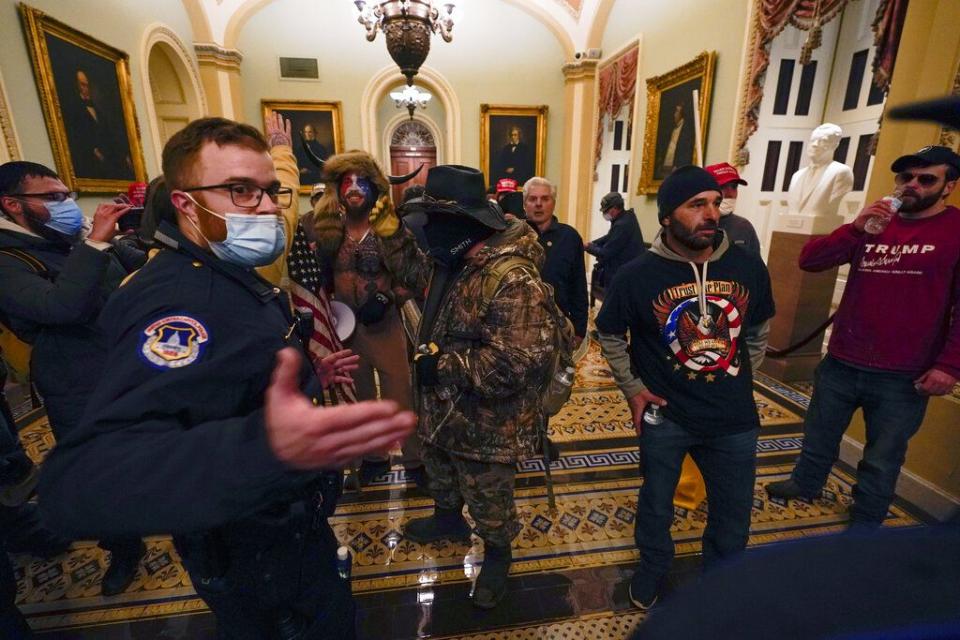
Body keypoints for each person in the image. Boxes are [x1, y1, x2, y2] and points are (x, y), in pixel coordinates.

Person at [38, 117, 416, 639]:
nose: (265, 207)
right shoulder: (174, 303)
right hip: (253, 557)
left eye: (268, 190)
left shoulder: (224, 272)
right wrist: (267, 445)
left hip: (289, 536)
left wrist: (308, 372)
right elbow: (80, 482)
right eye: (240, 191)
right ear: (185, 203)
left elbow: (227, 373)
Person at [372, 164, 557, 609]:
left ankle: (497, 555)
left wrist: (446, 365)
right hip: (443, 409)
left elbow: (518, 362)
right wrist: (390, 231)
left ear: (465, 223)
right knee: (442, 474)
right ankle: (447, 518)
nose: (427, 229)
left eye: (435, 220)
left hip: (488, 424)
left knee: (489, 499)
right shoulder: (452, 258)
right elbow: (414, 271)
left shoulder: (512, 277)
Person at [596, 165, 774, 610]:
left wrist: (742, 376)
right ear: (667, 217)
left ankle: (722, 578)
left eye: (715, 202)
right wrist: (633, 389)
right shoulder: (636, 275)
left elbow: (757, 328)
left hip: (733, 419)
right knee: (656, 503)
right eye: (697, 205)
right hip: (666, 414)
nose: (711, 213)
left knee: (733, 512)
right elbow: (610, 333)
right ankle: (653, 568)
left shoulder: (747, 265)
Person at [765, 146, 960, 528]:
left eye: (927, 179)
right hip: (843, 359)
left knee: (883, 453)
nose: (913, 186)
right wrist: (855, 228)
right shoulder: (877, 221)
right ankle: (806, 482)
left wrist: (949, 366)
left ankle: (867, 515)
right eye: (906, 178)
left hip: (905, 373)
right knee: (819, 433)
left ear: (949, 186)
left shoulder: (954, 231)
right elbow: (810, 260)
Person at [0, 160, 147, 596]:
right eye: (52, 197)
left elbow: (138, 268)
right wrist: (96, 242)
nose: (67, 203)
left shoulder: (72, 235)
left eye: (66, 194)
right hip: (77, 386)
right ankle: (124, 548)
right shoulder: (8, 258)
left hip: (130, 369)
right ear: (12, 205)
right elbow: (61, 307)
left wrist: (141, 244)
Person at [312, 151, 422, 484]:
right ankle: (374, 458)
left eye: (362, 181)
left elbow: (416, 276)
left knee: (400, 394)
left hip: (386, 325)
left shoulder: (390, 227)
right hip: (344, 330)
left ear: (375, 188)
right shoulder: (325, 230)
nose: (355, 188)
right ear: (337, 188)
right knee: (358, 398)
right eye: (348, 181)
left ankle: (416, 461)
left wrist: (391, 297)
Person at [523, 177, 588, 346]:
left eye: (545, 199)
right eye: (532, 199)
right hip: (518, 327)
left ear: (553, 203)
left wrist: (580, 329)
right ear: (524, 204)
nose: (539, 204)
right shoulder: (512, 236)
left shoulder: (570, 237)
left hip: (557, 327)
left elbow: (578, 285)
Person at [66, 69, 133, 180]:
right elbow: (77, 137)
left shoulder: (98, 110)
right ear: (76, 86)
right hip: (91, 163)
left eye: (87, 85)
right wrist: (94, 151)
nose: (86, 89)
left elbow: (109, 134)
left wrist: (124, 156)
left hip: (109, 159)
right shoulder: (74, 109)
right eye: (83, 85)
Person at [585, 191, 645, 285]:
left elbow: (606, 253)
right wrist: (592, 243)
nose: (604, 213)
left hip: (624, 275)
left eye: (606, 211)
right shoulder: (628, 217)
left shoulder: (622, 225)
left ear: (614, 208)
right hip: (628, 269)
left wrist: (588, 247)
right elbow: (609, 237)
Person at [704, 163, 761, 255]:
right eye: (722, 187)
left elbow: (755, 266)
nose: (730, 194)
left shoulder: (744, 227)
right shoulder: (696, 225)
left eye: (734, 187)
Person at [657, 103, 693, 178]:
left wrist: (678, 165)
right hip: (666, 166)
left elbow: (686, 150)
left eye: (677, 111)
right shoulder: (672, 128)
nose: (675, 114)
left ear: (682, 114)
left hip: (676, 168)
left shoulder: (686, 130)